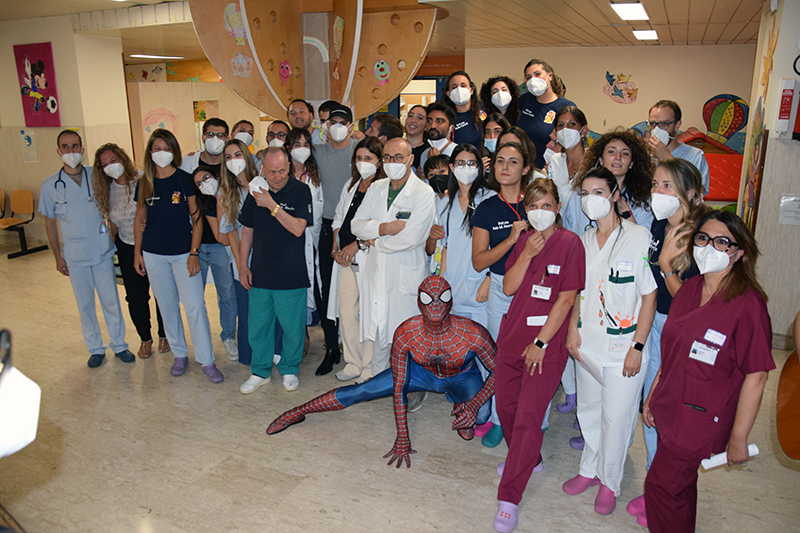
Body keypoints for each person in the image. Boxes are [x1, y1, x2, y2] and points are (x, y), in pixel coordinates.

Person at [267, 276, 496, 467]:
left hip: (461, 376)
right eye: (428, 299)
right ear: (419, 302)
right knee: (362, 390)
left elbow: (499, 371)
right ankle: (297, 411)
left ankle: (462, 403)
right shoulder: (407, 332)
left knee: (482, 415)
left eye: (442, 297)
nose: (435, 304)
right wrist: (402, 436)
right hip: (420, 372)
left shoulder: (473, 332)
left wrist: (474, 404)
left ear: (451, 301)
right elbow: (399, 388)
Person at [642, 210, 774, 533]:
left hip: (700, 417)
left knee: (660, 486)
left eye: (721, 242)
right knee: (681, 487)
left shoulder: (748, 304)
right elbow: (673, 349)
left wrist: (739, 438)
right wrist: (653, 397)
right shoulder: (690, 288)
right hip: (670, 404)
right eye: (703, 239)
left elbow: (757, 376)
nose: (709, 247)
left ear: (738, 252)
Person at [492, 178, 585, 533]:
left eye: (547, 206)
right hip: (513, 336)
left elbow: (566, 299)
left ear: (558, 208)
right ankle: (528, 458)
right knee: (507, 409)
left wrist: (542, 343)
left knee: (530, 415)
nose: (540, 213)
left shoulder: (570, 243)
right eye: (534, 206)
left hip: (545, 345)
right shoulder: (525, 241)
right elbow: (509, 286)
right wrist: (526, 252)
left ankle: (509, 497)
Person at [563, 167, 657, 515]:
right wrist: (572, 329)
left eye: (599, 192)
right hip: (586, 343)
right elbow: (576, 291)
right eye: (585, 193)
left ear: (615, 195)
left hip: (623, 349)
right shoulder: (583, 241)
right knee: (589, 410)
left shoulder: (638, 236)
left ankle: (610, 481)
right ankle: (589, 469)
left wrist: (638, 347)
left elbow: (649, 297)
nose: (591, 200)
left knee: (616, 420)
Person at [624, 158, 708, 527]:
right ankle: (654, 485)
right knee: (651, 407)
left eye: (668, 187)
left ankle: (663, 491)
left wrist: (667, 265)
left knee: (663, 410)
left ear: (691, 194)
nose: (659, 193)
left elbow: (691, 304)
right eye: (656, 185)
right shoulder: (660, 224)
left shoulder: (702, 238)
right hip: (655, 322)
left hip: (681, 331)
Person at [133, 129, 222, 383]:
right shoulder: (145, 182)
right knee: (167, 306)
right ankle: (180, 354)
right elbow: (140, 218)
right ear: (150, 152)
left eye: (166, 148)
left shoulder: (184, 180)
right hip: (153, 254)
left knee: (195, 306)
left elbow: (197, 220)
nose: (161, 153)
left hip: (184, 253)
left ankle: (207, 360)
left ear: (175, 151)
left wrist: (194, 253)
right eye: (156, 148)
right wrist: (138, 253)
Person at [39, 130, 134, 368]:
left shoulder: (97, 176)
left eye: (75, 146)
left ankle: (120, 345)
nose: (71, 151)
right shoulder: (50, 186)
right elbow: (49, 221)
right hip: (75, 255)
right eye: (65, 147)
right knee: (85, 304)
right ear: (59, 151)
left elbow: (123, 186)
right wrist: (57, 257)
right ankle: (95, 348)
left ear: (82, 149)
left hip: (102, 250)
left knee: (111, 300)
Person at [351, 137, 436, 376]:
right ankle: (379, 379)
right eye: (387, 158)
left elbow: (412, 239)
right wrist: (384, 229)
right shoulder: (377, 187)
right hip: (377, 271)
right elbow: (356, 224)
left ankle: (413, 386)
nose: (392, 162)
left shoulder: (423, 192)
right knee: (379, 331)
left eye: (398, 157)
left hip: (404, 274)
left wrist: (374, 240)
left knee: (408, 333)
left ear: (410, 159)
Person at [471, 141, 532, 448]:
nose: (505, 167)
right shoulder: (486, 208)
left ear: (526, 168)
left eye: (513, 162)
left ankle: (533, 422)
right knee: (502, 360)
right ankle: (499, 419)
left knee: (532, 360)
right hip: (500, 290)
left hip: (535, 293)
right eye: (499, 162)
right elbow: (479, 260)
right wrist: (510, 240)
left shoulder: (536, 204)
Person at [238, 148, 313, 393]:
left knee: (292, 327)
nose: (278, 176)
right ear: (262, 170)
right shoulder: (255, 192)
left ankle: (290, 369)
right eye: (272, 172)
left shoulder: (301, 191)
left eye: (282, 171)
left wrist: (272, 204)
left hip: (291, 274)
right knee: (258, 326)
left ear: (289, 167)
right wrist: (242, 265)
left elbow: (298, 228)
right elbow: (247, 231)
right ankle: (260, 371)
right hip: (260, 272)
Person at [91, 143, 167, 359]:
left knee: (162, 293)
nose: (110, 167)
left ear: (123, 159)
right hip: (126, 247)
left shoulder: (144, 179)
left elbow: (158, 209)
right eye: (104, 164)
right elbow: (112, 223)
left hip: (153, 246)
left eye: (113, 161)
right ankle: (145, 338)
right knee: (135, 297)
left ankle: (165, 335)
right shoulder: (106, 190)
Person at [327, 137, 386, 383]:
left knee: (369, 313)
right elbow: (339, 218)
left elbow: (379, 227)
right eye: (359, 158)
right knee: (347, 309)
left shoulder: (383, 188)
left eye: (368, 158)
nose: (363, 163)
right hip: (344, 259)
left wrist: (355, 245)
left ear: (379, 161)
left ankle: (370, 366)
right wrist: (335, 248)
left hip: (370, 258)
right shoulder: (352, 185)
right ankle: (352, 361)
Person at [426, 144, 494, 327]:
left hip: (480, 288)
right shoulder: (446, 203)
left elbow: (499, 246)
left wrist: (489, 279)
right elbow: (445, 246)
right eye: (460, 163)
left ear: (479, 167)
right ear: (452, 167)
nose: (466, 167)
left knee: (482, 347)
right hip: (452, 289)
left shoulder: (490, 199)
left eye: (471, 163)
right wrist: (440, 283)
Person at [315, 103, 360, 375]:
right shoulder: (317, 152)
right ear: (326, 127)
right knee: (327, 289)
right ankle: (332, 346)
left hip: (357, 229)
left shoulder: (361, 151)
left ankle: (360, 349)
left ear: (352, 126)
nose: (338, 126)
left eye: (344, 121)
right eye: (333, 122)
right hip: (328, 226)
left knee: (359, 292)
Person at [563, 129, 655, 238]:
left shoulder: (643, 202)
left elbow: (644, 242)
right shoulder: (578, 196)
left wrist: (626, 213)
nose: (618, 157)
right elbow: (567, 235)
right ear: (601, 159)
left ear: (631, 164)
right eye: (611, 152)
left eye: (625, 154)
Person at [190, 165, 239, 361]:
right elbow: (220, 234)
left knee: (227, 294)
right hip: (199, 249)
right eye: (199, 183)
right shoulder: (205, 202)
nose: (205, 184)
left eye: (207, 178)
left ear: (217, 176)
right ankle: (200, 340)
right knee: (195, 297)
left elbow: (224, 239)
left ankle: (228, 336)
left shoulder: (230, 195)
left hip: (220, 250)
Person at [219, 139, 260, 366]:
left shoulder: (261, 185)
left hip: (266, 259)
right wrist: (241, 264)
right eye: (228, 157)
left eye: (237, 154)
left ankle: (271, 353)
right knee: (245, 313)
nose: (233, 160)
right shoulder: (228, 193)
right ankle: (248, 356)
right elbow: (231, 232)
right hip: (242, 262)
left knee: (265, 312)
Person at [286, 127, 324, 360]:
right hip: (286, 242)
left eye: (306, 144)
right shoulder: (281, 174)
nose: (302, 149)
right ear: (288, 147)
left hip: (311, 240)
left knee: (308, 286)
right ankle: (295, 335)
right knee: (290, 289)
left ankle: (305, 332)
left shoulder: (315, 175)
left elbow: (318, 211)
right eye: (296, 144)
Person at [517, 59, 575, 169]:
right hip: (521, 169)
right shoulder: (523, 101)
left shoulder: (565, 107)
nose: (533, 80)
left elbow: (573, 145)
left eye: (537, 74)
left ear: (550, 76)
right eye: (528, 77)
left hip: (548, 171)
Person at [646, 100, 710, 195]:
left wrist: (667, 159)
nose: (657, 129)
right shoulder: (645, 155)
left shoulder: (694, 155)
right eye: (653, 124)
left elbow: (698, 193)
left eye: (664, 124)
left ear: (677, 125)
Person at [547, 106, 588, 218]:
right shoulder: (555, 161)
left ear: (584, 130)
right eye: (560, 125)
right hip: (560, 228)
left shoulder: (594, 161)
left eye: (571, 124)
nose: (565, 129)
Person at [442, 71, 483, 152]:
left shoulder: (484, 110)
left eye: (463, 85)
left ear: (471, 90)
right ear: (448, 94)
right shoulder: (445, 118)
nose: (459, 90)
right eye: (454, 87)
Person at [419, 102, 457, 170]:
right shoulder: (425, 154)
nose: (433, 125)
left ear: (451, 128)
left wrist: (435, 161)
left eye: (439, 121)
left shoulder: (458, 153)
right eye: (429, 121)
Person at [481, 113, 511, 177]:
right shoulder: (483, 161)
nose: (492, 137)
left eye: (497, 131)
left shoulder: (515, 160)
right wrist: (479, 176)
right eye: (488, 132)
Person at [404, 104, 428, 175]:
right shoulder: (395, 147)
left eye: (419, 118)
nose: (413, 120)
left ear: (426, 126)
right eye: (410, 116)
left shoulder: (428, 152)